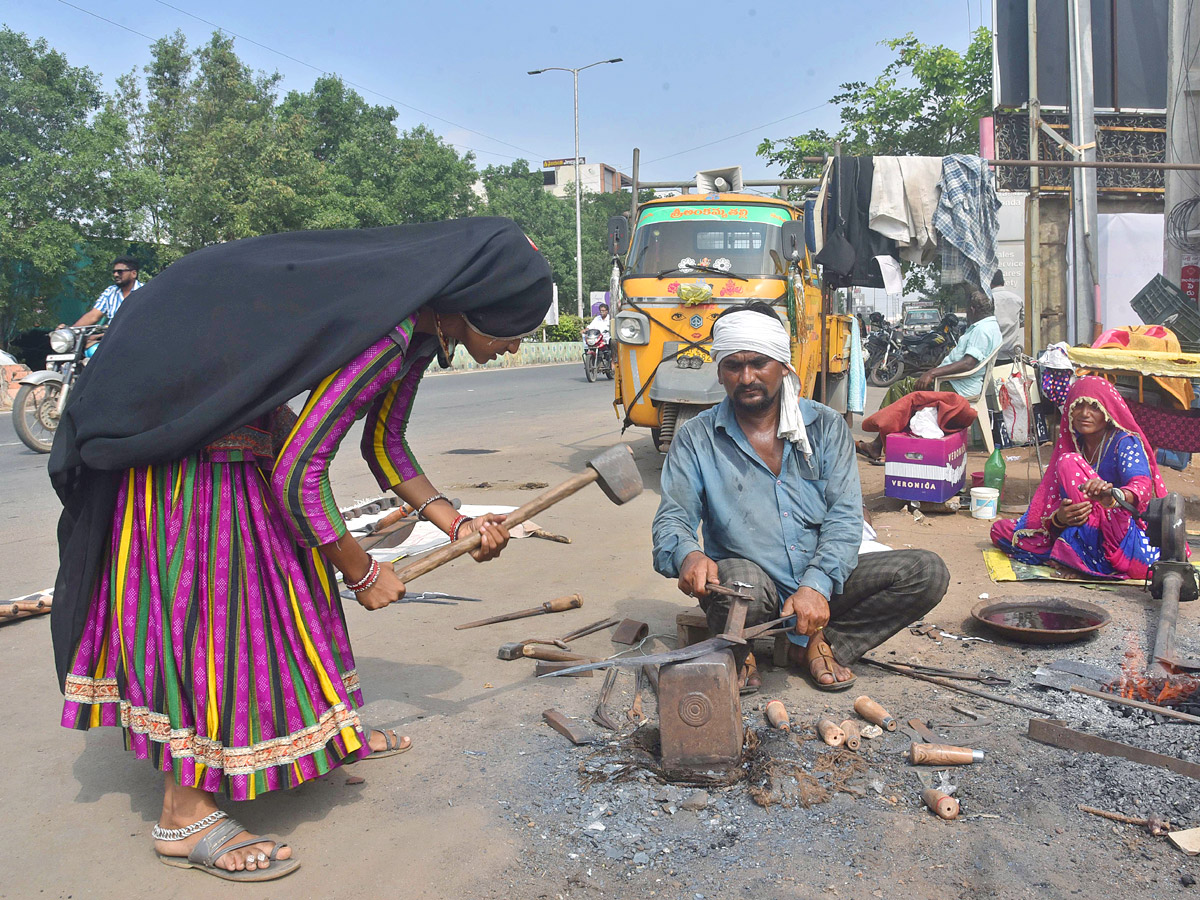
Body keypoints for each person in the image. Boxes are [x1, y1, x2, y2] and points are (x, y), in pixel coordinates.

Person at [49, 219, 552, 881]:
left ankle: (325, 735)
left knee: (294, 587)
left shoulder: (418, 331)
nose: (514, 347)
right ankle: (182, 813)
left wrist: (455, 522)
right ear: (478, 307)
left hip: (241, 445)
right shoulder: (389, 330)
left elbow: (385, 447)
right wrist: (363, 568)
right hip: (186, 460)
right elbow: (297, 474)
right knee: (215, 619)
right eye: (514, 329)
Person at [651, 301, 949, 693]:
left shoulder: (825, 426)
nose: (746, 377)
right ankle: (740, 650)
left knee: (926, 572)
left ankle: (822, 644)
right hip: (749, 588)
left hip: (822, 587)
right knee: (742, 585)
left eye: (758, 363)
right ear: (720, 372)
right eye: (733, 365)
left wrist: (816, 584)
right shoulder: (697, 437)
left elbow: (845, 517)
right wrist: (688, 554)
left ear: (783, 365)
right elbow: (672, 518)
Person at [991, 377, 1166, 580]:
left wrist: (1113, 496)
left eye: (1094, 407)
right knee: (1002, 530)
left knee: (1069, 462)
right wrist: (1059, 518)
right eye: (1078, 406)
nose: (1084, 414)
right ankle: (1074, 552)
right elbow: (1054, 503)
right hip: (1077, 528)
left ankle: (1076, 556)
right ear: (1070, 411)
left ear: (1107, 411)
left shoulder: (1124, 441)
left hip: (1119, 535)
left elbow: (1142, 486)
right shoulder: (1074, 443)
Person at [855, 289, 1002, 462]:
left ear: (973, 309)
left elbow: (969, 363)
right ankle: (879, 444)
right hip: (960, 381)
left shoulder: (981, 330)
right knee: (910, 389)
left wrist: (932, 373)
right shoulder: (991, 326)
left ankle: (881, 445)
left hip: (956, 385)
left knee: (902, 387)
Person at [70, 256, 142, 327]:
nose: (115, 274)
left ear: (134, 274)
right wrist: (70, 331)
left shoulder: (144, 292)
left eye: (120, 272)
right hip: (111, 336)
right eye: (114, 272)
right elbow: (93, 316)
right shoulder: (110, 291)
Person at [991, 270, 1024, 360]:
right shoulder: (1017, 299)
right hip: (1013, 352)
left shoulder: (987, 300)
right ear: (1003, 282)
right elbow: (1022, 322)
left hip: (992, 355)